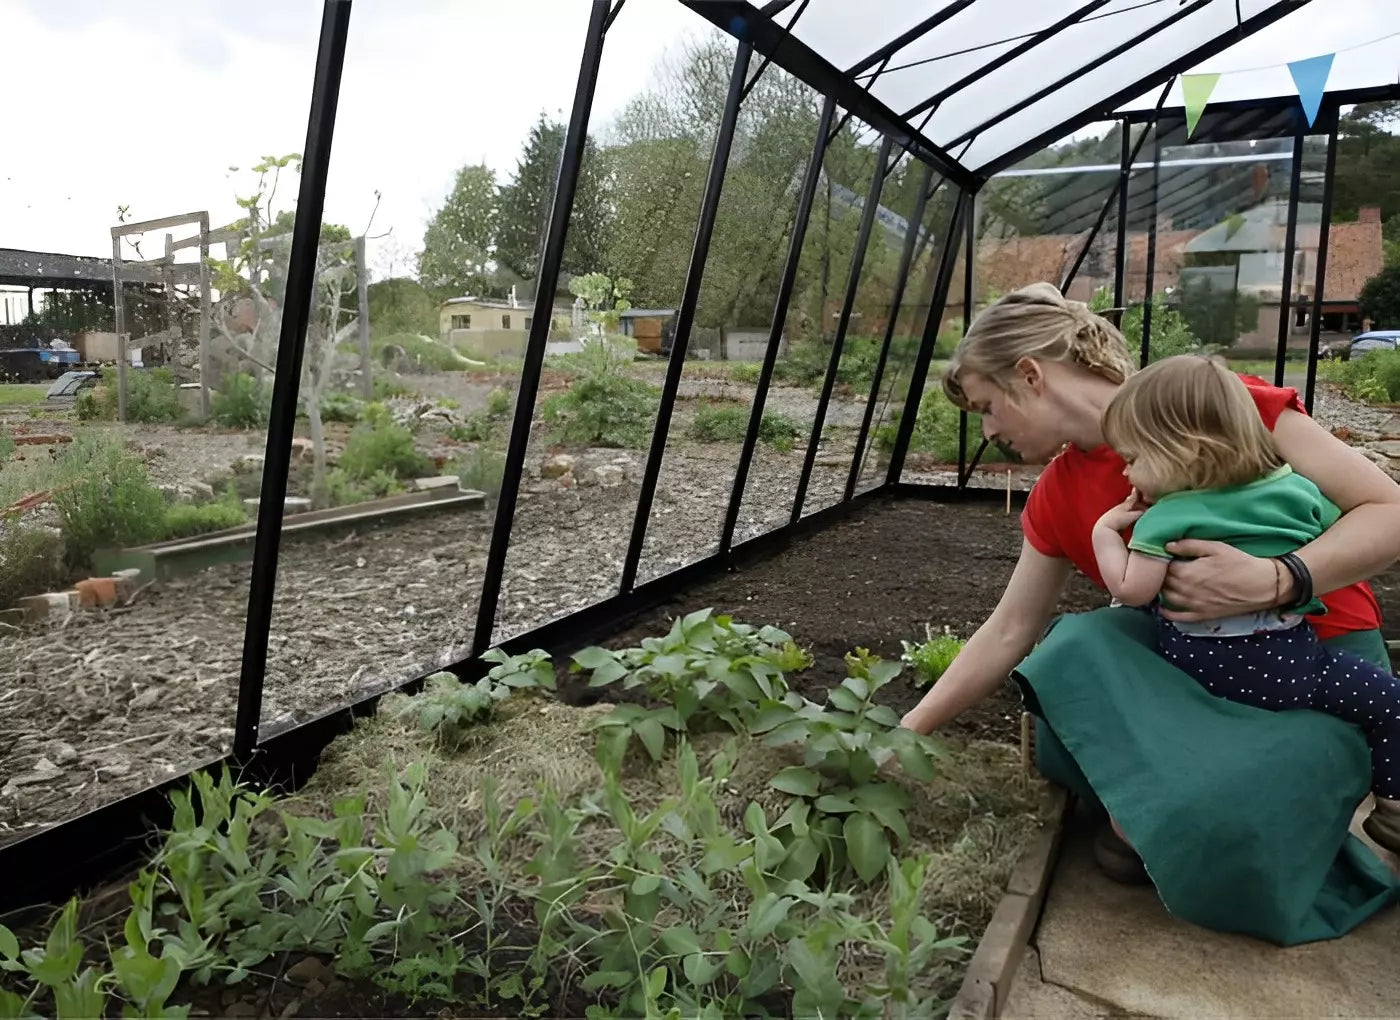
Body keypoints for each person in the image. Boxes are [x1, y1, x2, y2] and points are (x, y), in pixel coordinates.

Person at [900, 282, 1400, 945]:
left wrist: (1279, 578)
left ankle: (1212, 800)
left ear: (1029, 375)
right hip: (1204, 668)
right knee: (1071, 654)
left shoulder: (1213, 406)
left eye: (988, 408)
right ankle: (1178, 804)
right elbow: (1011, 630)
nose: (988, 431)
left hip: (1314, 660)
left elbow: (1390, 513)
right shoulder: (1057, 493)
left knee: (1215, 824)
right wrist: (905, 732)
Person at [1090, 354, 1400, 854]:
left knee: (1127, 671)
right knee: (1390, 702)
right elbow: (1342, 537)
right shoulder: (1296, 490)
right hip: (1296, 670)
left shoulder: (1163, 520)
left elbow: (1131, 589)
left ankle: (1133, 817)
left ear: (1183, 451)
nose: (1126, 471)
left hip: (1195, 677)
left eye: (1133, 457)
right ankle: (1393, 806)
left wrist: (1106, 532)